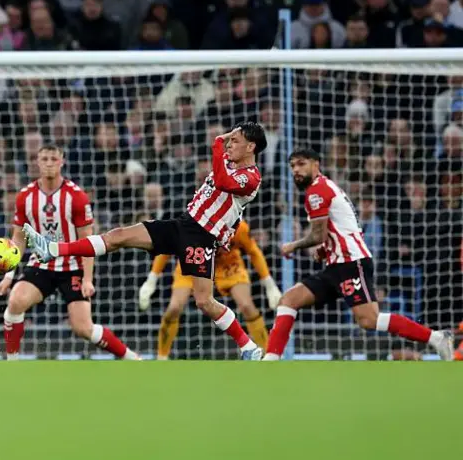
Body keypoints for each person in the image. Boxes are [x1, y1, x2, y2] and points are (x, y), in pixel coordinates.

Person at [24, 124, 268, 360]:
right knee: (118, 236)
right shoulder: (227, 161)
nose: (229, 143)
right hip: (182, 225)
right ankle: (52, 249)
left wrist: (217, 144)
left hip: (202, 238)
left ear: (251, 147)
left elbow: (225, 183)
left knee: (204, 301)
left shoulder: (251, 178)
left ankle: (248, 346)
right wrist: (228, 140)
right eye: (229, 139)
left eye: (235, 141)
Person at [262, 148, 454, 361]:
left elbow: (318, 234)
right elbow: (345, 228)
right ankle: (271, 360)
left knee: (369, 320)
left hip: (351, 263)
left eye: (301, 164)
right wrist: (325, 251)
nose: (296, 170)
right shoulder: (327, 188)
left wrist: (292, 246)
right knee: (289, 299)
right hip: (336, 265)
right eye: (292, 166)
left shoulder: (317, 191)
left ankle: (436, 337)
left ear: (316, 164)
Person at [0, 144, 139, 360]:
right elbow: (18, 239)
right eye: (44, 159)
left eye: (53, 159)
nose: (49, 163)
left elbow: (88, 241)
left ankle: (132, 358)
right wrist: (9, 275)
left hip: (72, 266)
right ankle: (12, 360)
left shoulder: (77, 196)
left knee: (83, 328)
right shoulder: (25, 197)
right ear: (37, 162)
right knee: (15, 301)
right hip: (41, 264)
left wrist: (88, 279)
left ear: (62, 161)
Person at [140, 220, 281, 360]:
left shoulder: (239, 227)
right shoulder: (193, 224)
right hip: (195, 262)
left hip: (227, 264)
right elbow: (167, 249)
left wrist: (270, 285)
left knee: (246, 305)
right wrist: (151, 280)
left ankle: (268, 356)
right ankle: (162, 356)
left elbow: (254, 252)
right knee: (174, 307)